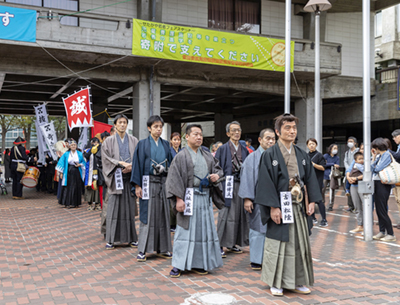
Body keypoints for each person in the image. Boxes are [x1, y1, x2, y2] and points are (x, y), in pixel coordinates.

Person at [254, 113, 321, 296]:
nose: (292, 131)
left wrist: (312, 201)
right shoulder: (270, 154)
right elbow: (265, 182)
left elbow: (310, 179)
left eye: (294, 128)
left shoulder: (301, 154)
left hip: (297, 205)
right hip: (280, 204)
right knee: (278, 244)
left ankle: (298, 280)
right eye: (287, 128)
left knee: (298, 243)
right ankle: (276, 282)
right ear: (277, 131)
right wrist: (273, 207)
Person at [166, 124, 224, 278]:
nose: (199, 137)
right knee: (184, 231)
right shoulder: (181, 156)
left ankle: (199, 263)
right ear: (187, 137)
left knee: (202, 232)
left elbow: (218, 170)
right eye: (195, 134)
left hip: (204, 198)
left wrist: (216, 176)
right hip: (188, 197)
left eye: (201, 135)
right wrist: (179, 199)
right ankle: (178, 264)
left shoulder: (207, 155)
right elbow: (173, 179)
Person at [131, 115, 173, 262]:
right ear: (149, 128)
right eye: (155, 127)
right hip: (147, 182)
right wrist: (137, 186)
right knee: (146, 215)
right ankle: (143, 250)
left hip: (163, 182)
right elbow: (136, 164)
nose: (158, 129)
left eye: (160, 127)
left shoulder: (166, 145)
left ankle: (164, 248)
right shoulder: (142, 144)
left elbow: (173, 164)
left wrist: (165, 168)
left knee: (163, 214)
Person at [238, 128, 276, 271]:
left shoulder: (276, 156)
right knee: (258, 229)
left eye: (273, 139)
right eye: (268, 138)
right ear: (260, 140)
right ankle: (256, 259)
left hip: (274, 200)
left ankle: (269, 257)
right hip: (258, 200)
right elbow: (247, 178)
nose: (271, 141)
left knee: (273, 229)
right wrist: (247, 198)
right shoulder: (252, 158)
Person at [101, 114, 139, 250]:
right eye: (120, 122)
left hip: (129, 179)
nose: (122, 125)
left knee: (129, 209)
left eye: (124, 122)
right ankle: (111, 239)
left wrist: (131, 167)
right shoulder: (108, 141)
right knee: (113, 210)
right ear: (115, 125)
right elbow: (105, 159)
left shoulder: (134, 140)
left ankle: (132, 238)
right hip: (115, 178)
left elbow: (139, 159)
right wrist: (118, 163)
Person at [215, 121, 249, 257]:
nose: (237, 133)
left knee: (239, 214)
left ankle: (234, 243)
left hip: (241, 184)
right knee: (226, 214)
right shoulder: (222, 149)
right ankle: (220, 245)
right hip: (227, 184)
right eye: (234, 130)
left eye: (239, 130)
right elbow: (216, 167)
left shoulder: (244, 149)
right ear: (228, 133)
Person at [371, 138, 396, 242]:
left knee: (382, 209)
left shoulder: (386, 155)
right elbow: (372, 167)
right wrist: (374, 158)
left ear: (377, 147)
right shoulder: (379, 156)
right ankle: (382, 231)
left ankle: (390, 233)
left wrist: (373, 162)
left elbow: (376, 169)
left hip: (383, 184)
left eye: (374, 148)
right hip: (377, 183)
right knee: (379, 209)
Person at [56, 139, 85, 208]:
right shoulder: (66, 154)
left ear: (76, 146)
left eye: (74, 145)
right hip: (68, 171)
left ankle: (76, 203)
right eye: (72, 145)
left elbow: (84, 162)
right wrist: (61, 173)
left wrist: (80, 165)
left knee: (76, 187)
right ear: (69, 146)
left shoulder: (80, 154)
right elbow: (61, 163)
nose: (73, 146)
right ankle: (67, 202)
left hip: (76, 171)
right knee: (68, 186)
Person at [307, 138, 328, 227]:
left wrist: (314, 164)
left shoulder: (319, 155)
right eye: (310, 144)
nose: (311, 145)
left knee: (319, 200)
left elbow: (323, 168)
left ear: (316, 145)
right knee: (309, 199)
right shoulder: (306, 155)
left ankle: (324, 219)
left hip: (317, 181)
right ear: (307, 146)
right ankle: (312, 218)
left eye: (313, 144)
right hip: (308, 181)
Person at [347, 152, 364, 233]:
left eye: (362, 158)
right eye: (359, 159)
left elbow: (367, 172)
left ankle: (367, 226)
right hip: (353, 186)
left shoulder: (367, 161)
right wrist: (348, 178)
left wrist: (356, 178)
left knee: (366, 206)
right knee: (357, 207)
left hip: (362, 185)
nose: (361, 160)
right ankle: (360, 225)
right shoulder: (354, 163)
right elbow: (348, 170)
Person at [83, 137, 103, 211]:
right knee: (89, 188)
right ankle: (90, 204)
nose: (95, 144)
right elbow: (86, 157)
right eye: (94, 142)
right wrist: (91, 150)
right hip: (89, 172)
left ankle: (97, 203)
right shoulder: (88, 150)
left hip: (97, 172)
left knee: (96, 187)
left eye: (97, 142)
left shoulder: (100, 150)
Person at [169, 132, 182, 233]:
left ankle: (178, 223)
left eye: (178, 140)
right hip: (171, 178)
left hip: (181, 179)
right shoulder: (169, 151)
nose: (176, 142)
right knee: (171, 202)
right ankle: (171, 224)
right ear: (171, 141)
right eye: (174, 139)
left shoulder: (182, 152)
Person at [322, 144, 340, 211]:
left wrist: (328, 164)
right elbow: (323, 164)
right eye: (334, 148)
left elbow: (337, 165)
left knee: (332, 190)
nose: (335, 150)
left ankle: (330, 205)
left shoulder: (337, 157)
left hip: (333, 176)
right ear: (331, 148)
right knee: (322, 189)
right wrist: (332, 164)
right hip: (325, 175)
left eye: (336, 148)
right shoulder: (325, 156)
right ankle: (322, 202)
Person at [390, 129, 400, 229]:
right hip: (397, 178)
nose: (394, 139)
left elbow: (398, 156)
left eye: (395, 136)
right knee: (398, 200)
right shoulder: (398, 147)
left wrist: (387, 151)